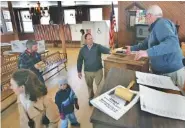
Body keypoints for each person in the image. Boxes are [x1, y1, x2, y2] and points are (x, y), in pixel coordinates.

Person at [126, 5, 185, 88]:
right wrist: (132, 48)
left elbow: (172, 43)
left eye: (146, 17)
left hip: (171, 72)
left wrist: (147, 52)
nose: (146, 19)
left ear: (149, 15)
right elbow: (145, 44)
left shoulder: (161, 23)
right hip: (165, 72)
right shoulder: (155, 28)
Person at [77, 33, 110, 106]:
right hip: (87, 72)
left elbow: (108, 50)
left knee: (100, 86)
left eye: (91, 38)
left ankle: (100, 99)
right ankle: (91, 98)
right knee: (89, 86)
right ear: (85, 40)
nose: (91, 40)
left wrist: (114, 51)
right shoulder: (82, 50)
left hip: (98, 70)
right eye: (89, 39)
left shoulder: (98, 46)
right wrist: (79, 71)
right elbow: (79, 60)